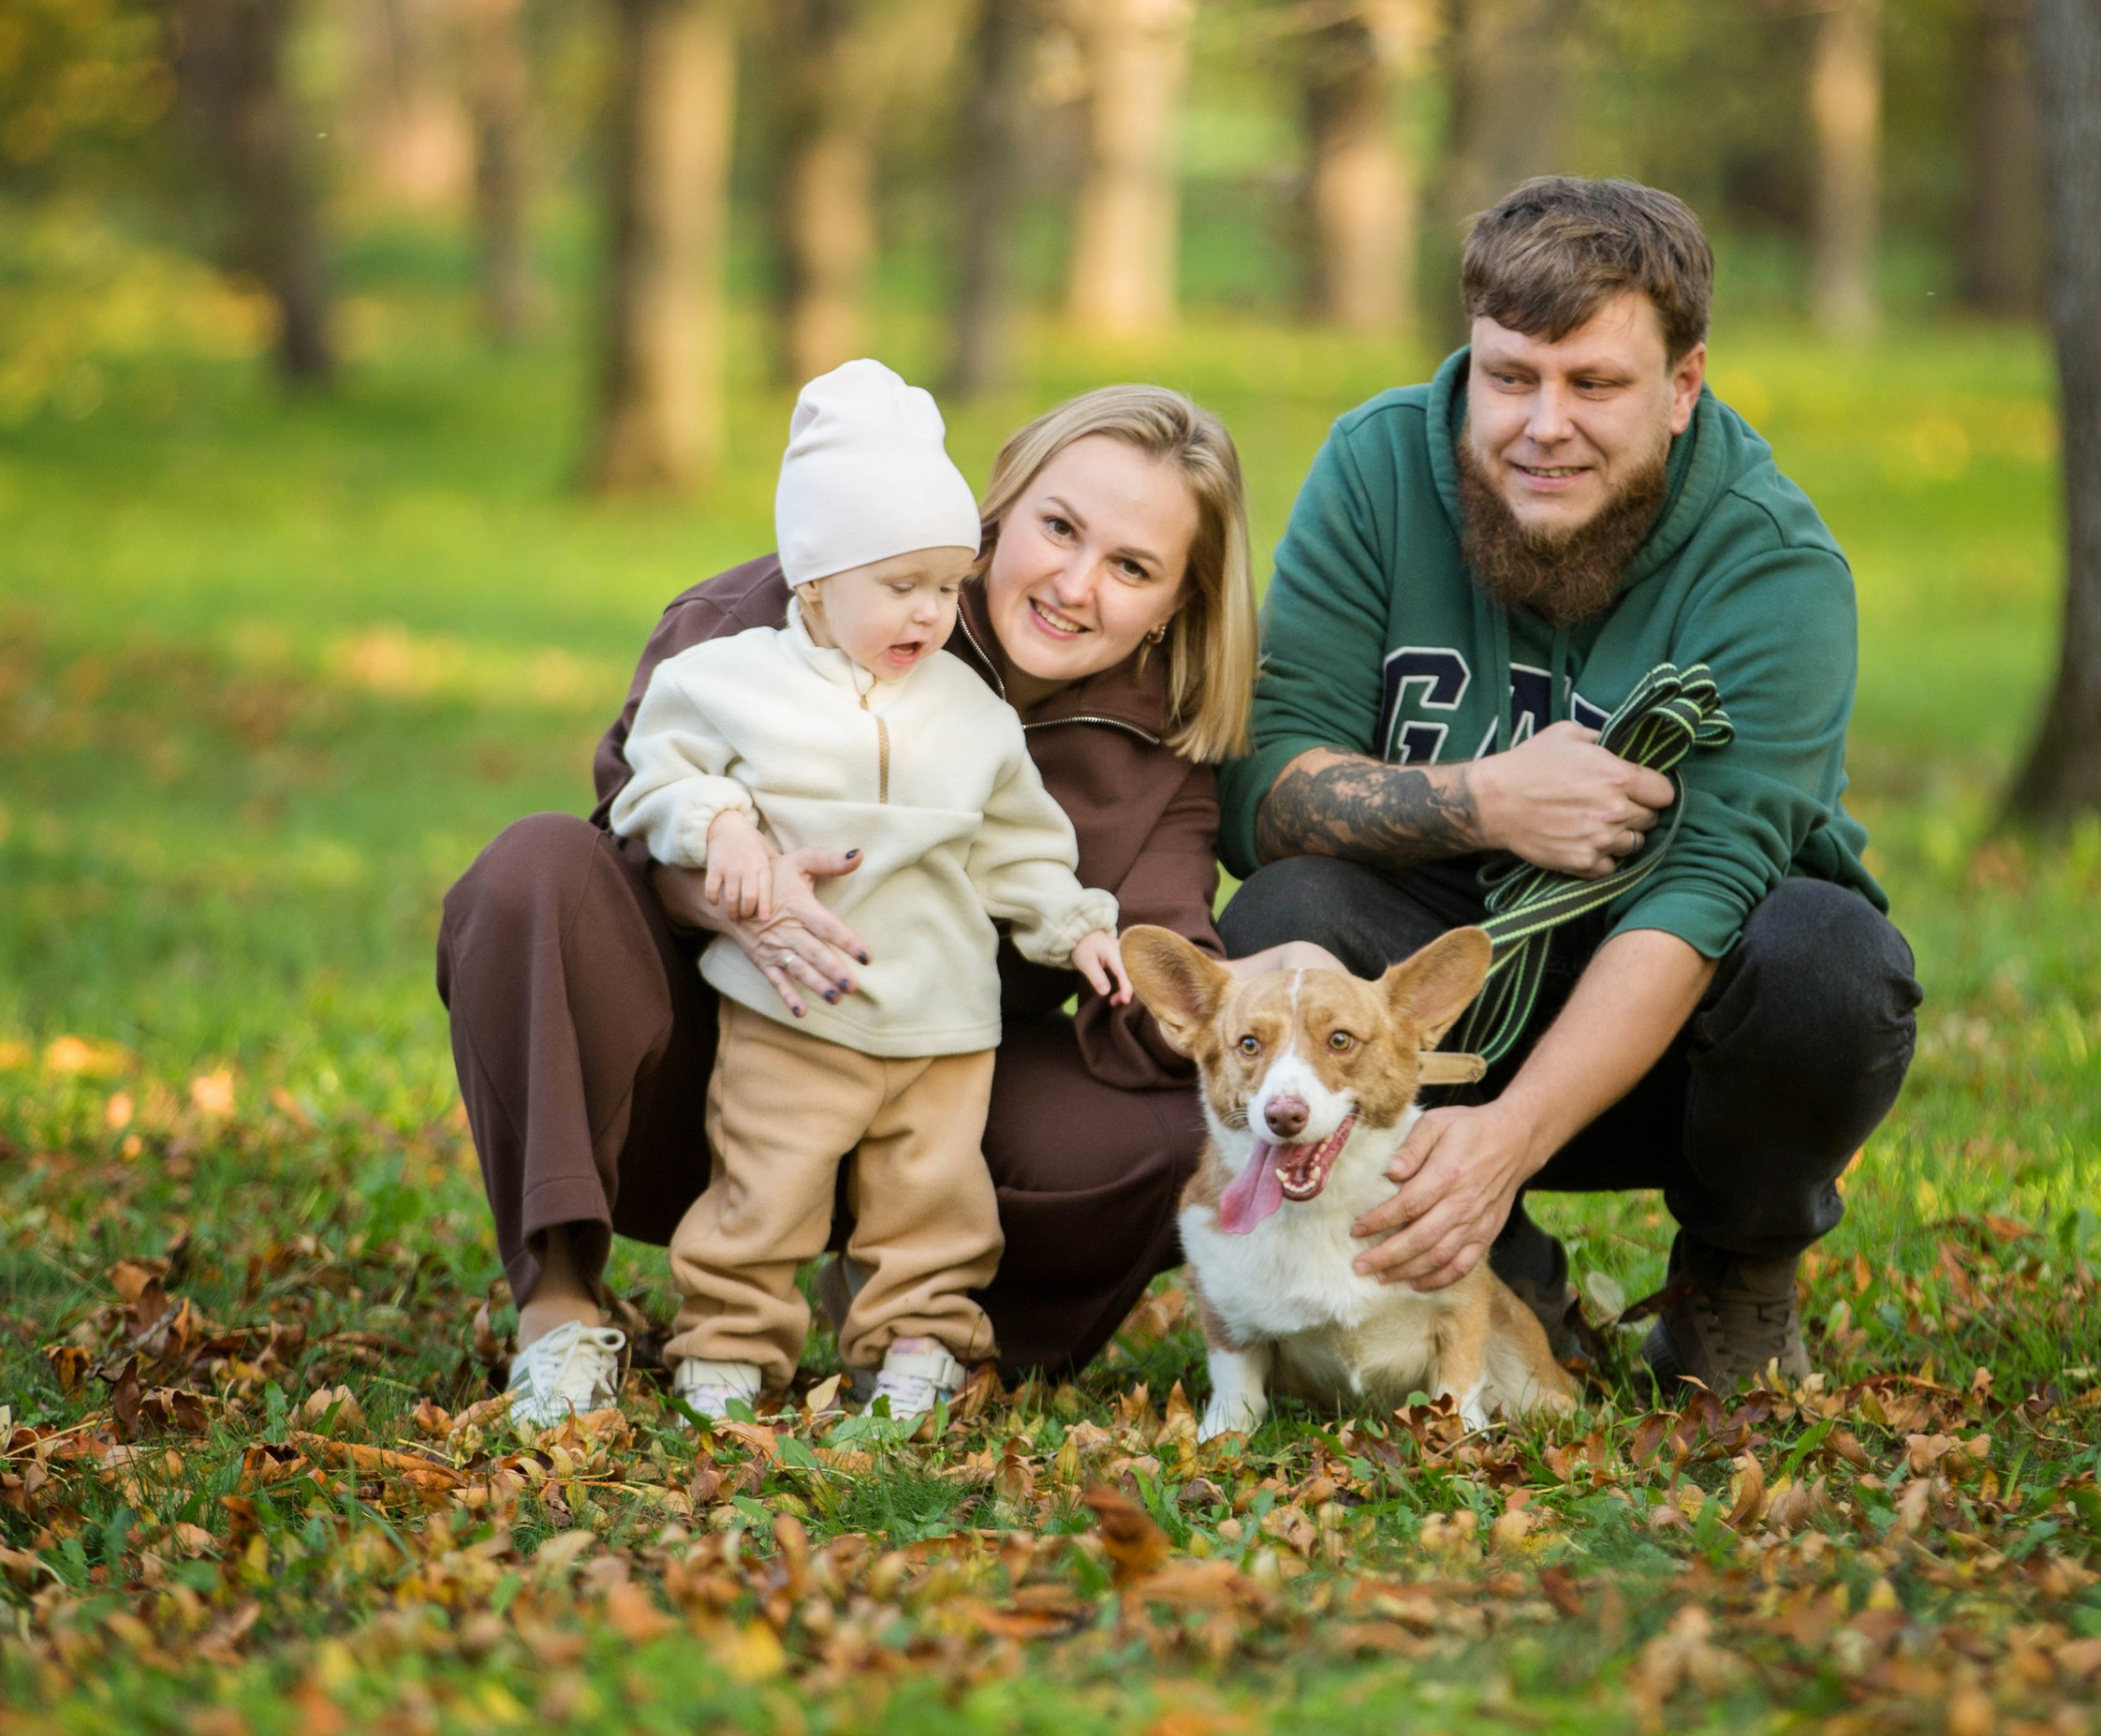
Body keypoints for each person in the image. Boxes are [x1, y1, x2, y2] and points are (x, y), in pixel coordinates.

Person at [1215, 176, 1920, 1398]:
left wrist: (1513, 1140)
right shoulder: (1379, 469)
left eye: (1594, 385)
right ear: (1470, 359)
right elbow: (1266, 786)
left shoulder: (1773, 564)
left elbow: (1700, 896)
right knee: (1287, 919)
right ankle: (1496, 1264)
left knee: (1832, 963)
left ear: (1683, 386)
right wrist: (1486, 800)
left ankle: (1733, 1283)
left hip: (1685, 1047)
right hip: (1436, 1011)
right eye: (1511, 378)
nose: (1545, 424)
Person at [436, 382, 1255, 1431]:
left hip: (934, 1104)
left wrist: (1216, 995)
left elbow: (1157, 963)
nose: (1074, 584)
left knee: (1159, 1121)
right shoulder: (774, 621)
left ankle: (928, 1325)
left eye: (1131, 567)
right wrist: (736, 891)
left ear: (1176, 603)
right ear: (995, 510)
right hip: (714, 1072)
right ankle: (556, 1304)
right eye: (1059, 529)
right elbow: (630, 826)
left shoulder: (1161, 756)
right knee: (531, 869)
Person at [606, 360, 1125, 1431]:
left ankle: (919, 1340)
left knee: (935, 1204)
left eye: (947, 585)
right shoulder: (730, 679)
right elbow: (655, 777)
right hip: (794, 1011)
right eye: (900, 586)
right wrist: (725, 829)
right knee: (765, 1186)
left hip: (944, 1027)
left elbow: (1019, 847)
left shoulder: (971, 715)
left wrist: (1070, 924)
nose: (930, 613)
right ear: (813, 585)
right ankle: (731, 1343)